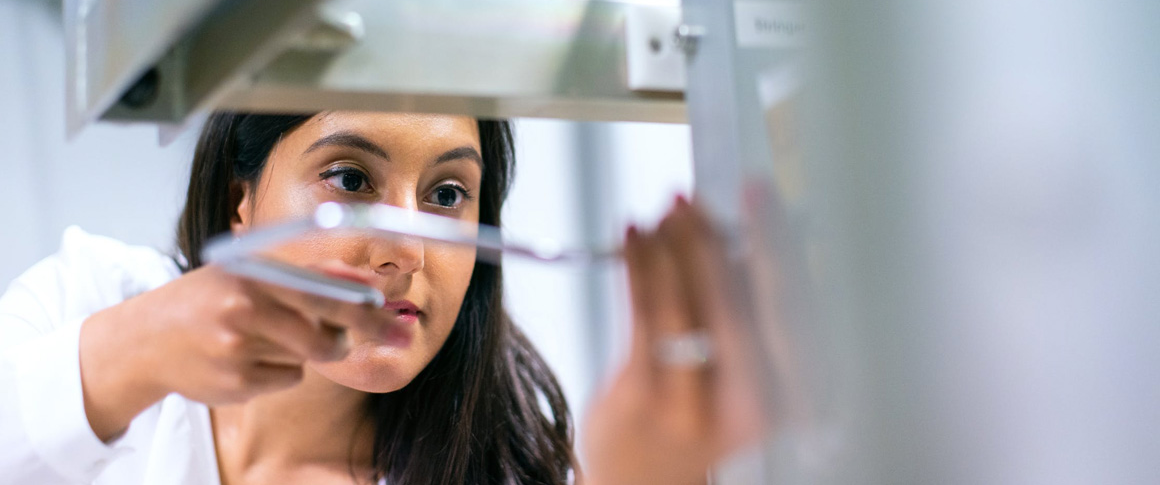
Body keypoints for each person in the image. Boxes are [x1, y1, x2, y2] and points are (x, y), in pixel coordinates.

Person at [0, 111, 764, 484]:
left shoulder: (498, 470)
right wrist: (127, 355)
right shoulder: (90, 298)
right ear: (242, 200)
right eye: (352, 180)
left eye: (446, 194)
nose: (406, 250)